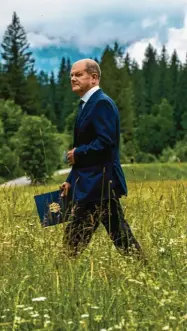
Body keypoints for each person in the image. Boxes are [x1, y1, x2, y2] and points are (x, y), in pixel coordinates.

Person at [60, 59, 142, 258]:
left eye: (78, 74)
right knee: (118, 236)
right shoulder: (87, 105)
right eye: (72, 75)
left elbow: (106, 143)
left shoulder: (101, 103)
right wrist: (71, 181)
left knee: (75, 240)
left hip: (100, 184)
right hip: (93, 184)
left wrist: (77, 153)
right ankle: (145, 270)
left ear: (94, 78)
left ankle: (60, 276)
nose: (73, 78)